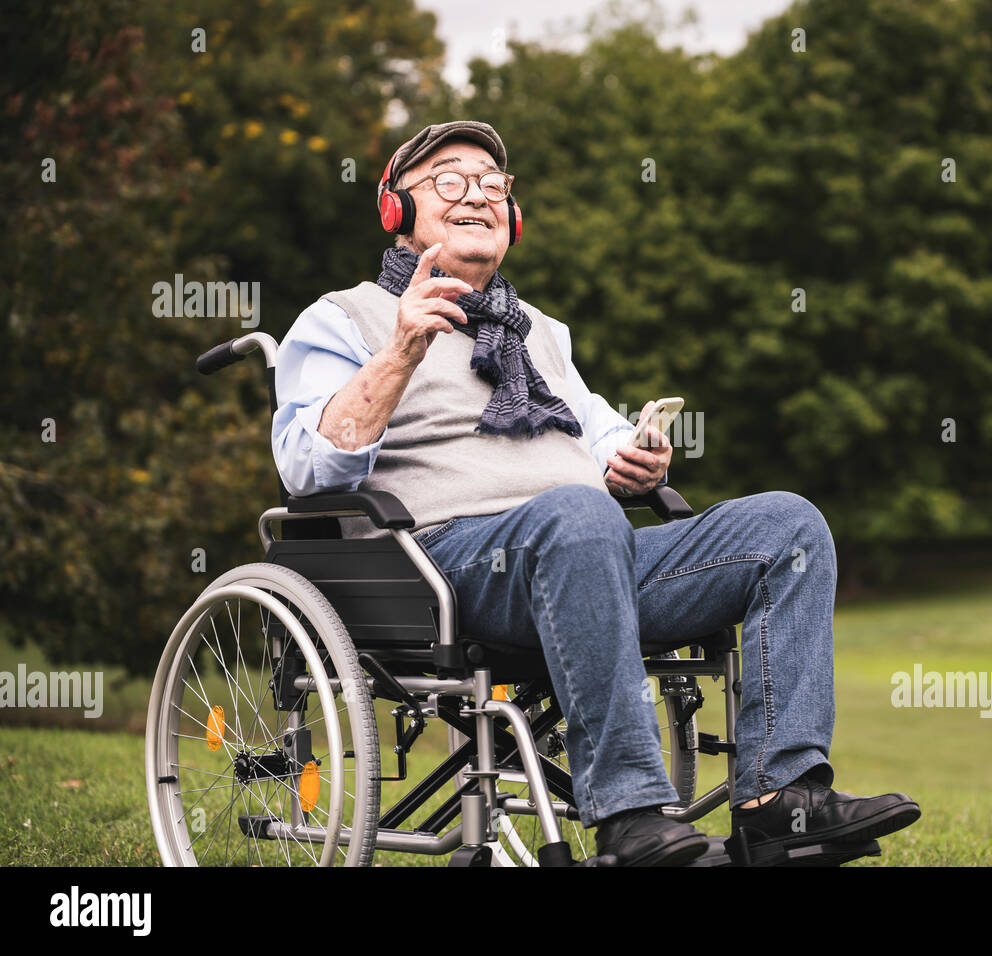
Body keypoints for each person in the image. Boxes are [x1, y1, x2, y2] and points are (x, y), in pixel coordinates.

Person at [271, 120, 921, 866]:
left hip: (586, 556)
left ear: (512, 215)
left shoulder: (538, 331)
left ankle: (781, 799)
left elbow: (598, 432)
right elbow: (308, 473)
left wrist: (633, 460)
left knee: (788, 526)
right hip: (444, 570)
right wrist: (401, 351)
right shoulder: (344, 318)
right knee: (577, 517)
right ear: (397, 209)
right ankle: (632, 813)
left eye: (492, 184)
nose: (476, 194)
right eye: (449, 179)